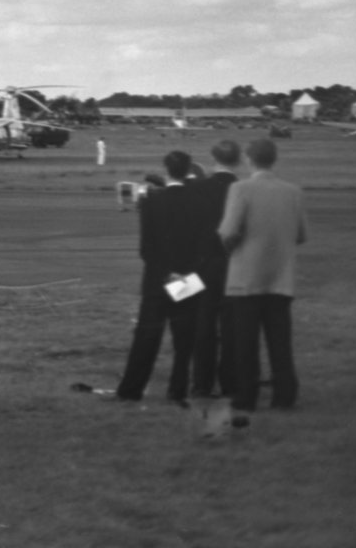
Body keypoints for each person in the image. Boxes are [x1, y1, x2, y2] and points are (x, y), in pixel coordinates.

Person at [114, 150, 214, 405]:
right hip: (187, 276)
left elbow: (146, 249)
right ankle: (177, 390)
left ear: (166, 170)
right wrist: (182, 273)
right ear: (189, 170)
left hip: (157, 278)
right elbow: (204, 247)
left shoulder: (151, 202)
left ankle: (131, 389)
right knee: (184, 339)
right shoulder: (201, 203)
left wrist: (164, 273)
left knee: (147, 336)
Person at [218, 136, 307, 417]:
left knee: (246, 343)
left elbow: (228, 231)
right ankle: (285, 395)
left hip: (246, 278)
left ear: (249, 159)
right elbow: (301, 235)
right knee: (280, 343)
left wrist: (232, 248)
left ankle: (246, 396)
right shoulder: (293, 192)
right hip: (281, 278)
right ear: (274, 158)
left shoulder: (240, 188)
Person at [190, 138, 241, 399]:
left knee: (204, 327)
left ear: (213, 159)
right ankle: (230, 384)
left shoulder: (199, 188)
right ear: (239, 160)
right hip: (236, 266)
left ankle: (201, 384)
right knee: (232, 329)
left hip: (204, 266)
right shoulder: (243, 189)